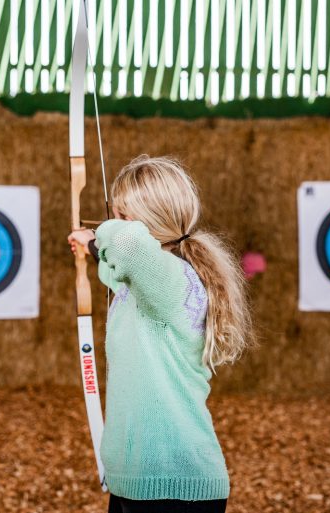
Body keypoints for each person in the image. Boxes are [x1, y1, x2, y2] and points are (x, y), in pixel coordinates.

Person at [67, 155, 254, 513]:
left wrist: (98, 236)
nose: (114, 223)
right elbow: (117, 267)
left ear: (147, 222)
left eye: (122, 215)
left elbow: (129, 248)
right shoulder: (147, 284)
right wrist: (88, 247)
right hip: (137, 483)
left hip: (174, 488)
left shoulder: (174, 281)